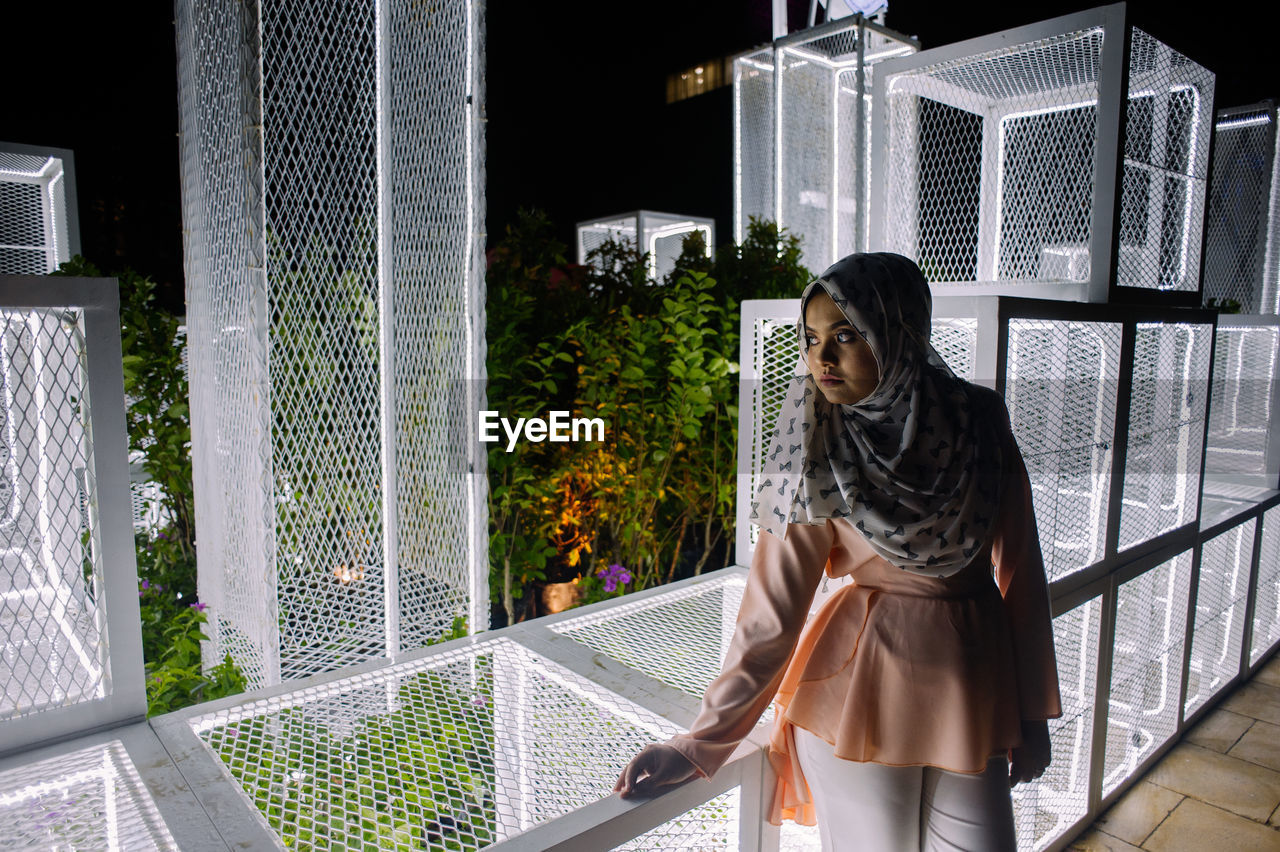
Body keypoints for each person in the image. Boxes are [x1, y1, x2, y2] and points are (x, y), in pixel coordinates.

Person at [614, 253, 1062, 851]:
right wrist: (700, 745)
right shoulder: (813, 436)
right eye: (812, 338)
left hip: (973, 686)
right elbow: (771, 617)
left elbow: (1022, 572)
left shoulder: (978, 419)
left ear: (899, 333)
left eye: (845, 336)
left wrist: (1032, 712)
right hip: (857, 693)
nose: (820, 358)